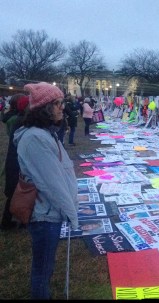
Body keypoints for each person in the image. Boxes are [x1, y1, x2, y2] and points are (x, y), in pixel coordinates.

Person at [14, 82, 78, 299]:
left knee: (45, 266)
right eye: (57, 103)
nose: (62, 107)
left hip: (51, 212)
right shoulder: (35, 138)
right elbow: (52, 182)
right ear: (44, 108)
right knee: (42, 269)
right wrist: (72, 213)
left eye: (61, 102)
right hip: (45, 215)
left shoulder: (45, 133)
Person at [1, 94, 29, 229]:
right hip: (17, 161)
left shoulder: (18, 119)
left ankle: (9, 222)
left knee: (15, 192)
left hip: (15, 160)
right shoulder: (20, 121)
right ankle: (14, 222)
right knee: (17, 192)